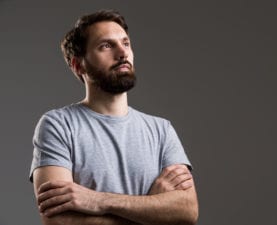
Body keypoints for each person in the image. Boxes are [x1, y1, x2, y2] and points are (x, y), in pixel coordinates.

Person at [29, 9, 199, 225]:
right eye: (106, 46)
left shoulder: (161, 129)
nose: (122, 53)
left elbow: (188, 211)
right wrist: (150, 206)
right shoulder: (58, 125)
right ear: (78, 65)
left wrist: (98, 200)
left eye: (126, 43)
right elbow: (58, 221)